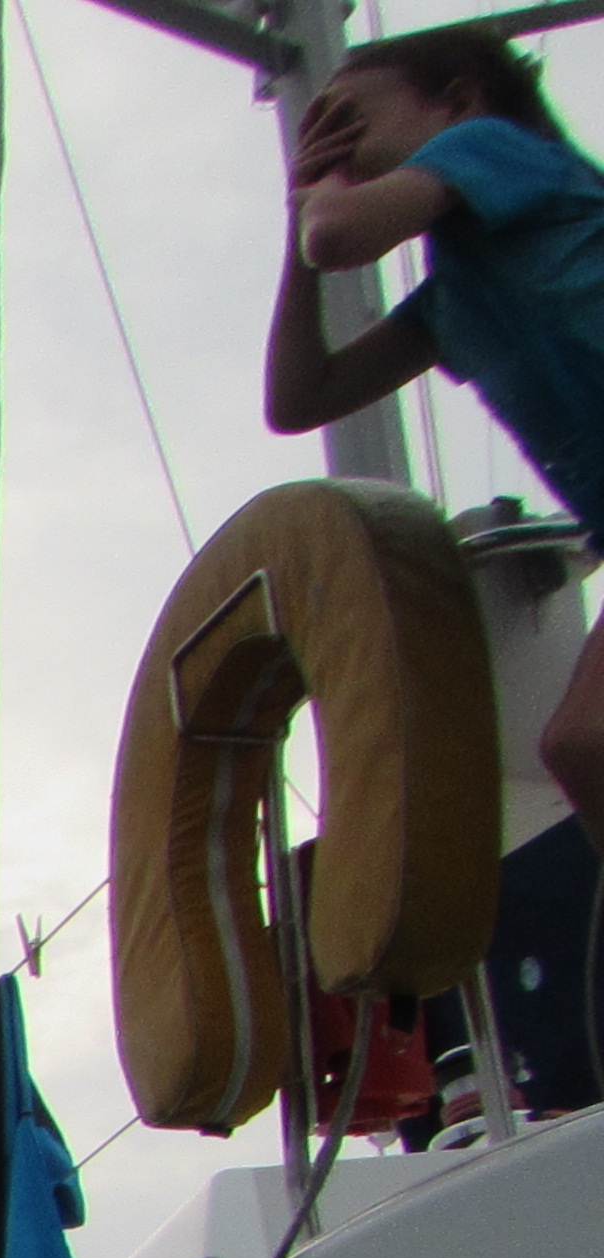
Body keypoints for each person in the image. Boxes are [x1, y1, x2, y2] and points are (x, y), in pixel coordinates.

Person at [269, 29, 604, 839]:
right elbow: (301, 396)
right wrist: (299, 227)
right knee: (580, 746)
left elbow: (340, 236)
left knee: (588, 740)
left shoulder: (495, 144)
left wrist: (320, 196)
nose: (331, 149)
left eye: (347, 123)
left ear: (458, 100)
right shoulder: (452, 299)